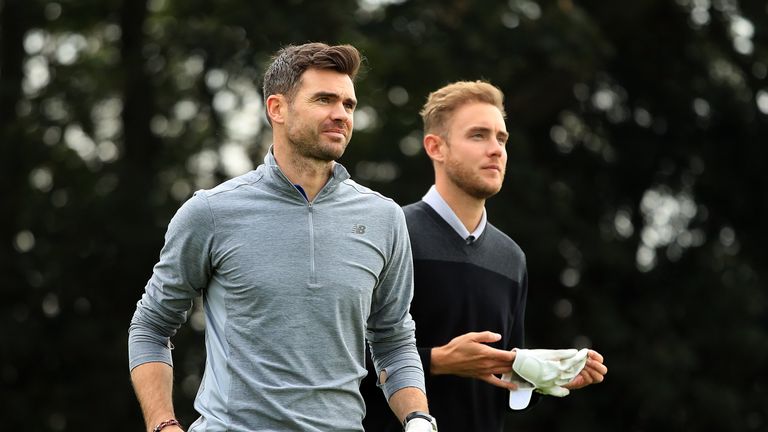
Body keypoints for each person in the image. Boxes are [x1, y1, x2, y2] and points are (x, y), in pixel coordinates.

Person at [128, 42, 437, 432]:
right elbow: (151, 326)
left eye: (348, 104)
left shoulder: (384, 218)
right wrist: (163, 426)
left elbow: (393, 339)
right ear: (277, 108)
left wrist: (418, 418)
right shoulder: (210, 212)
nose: (340, 114)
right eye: (324, 99)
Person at [361, 81, 607, 432]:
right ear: (436, 147)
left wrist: (545, 378)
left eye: (501, 139)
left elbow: (497, 381)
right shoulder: (391, 233)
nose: (496, 150)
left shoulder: (511, 258)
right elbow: (336, 359)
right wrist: (438, 361)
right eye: (478, 135)